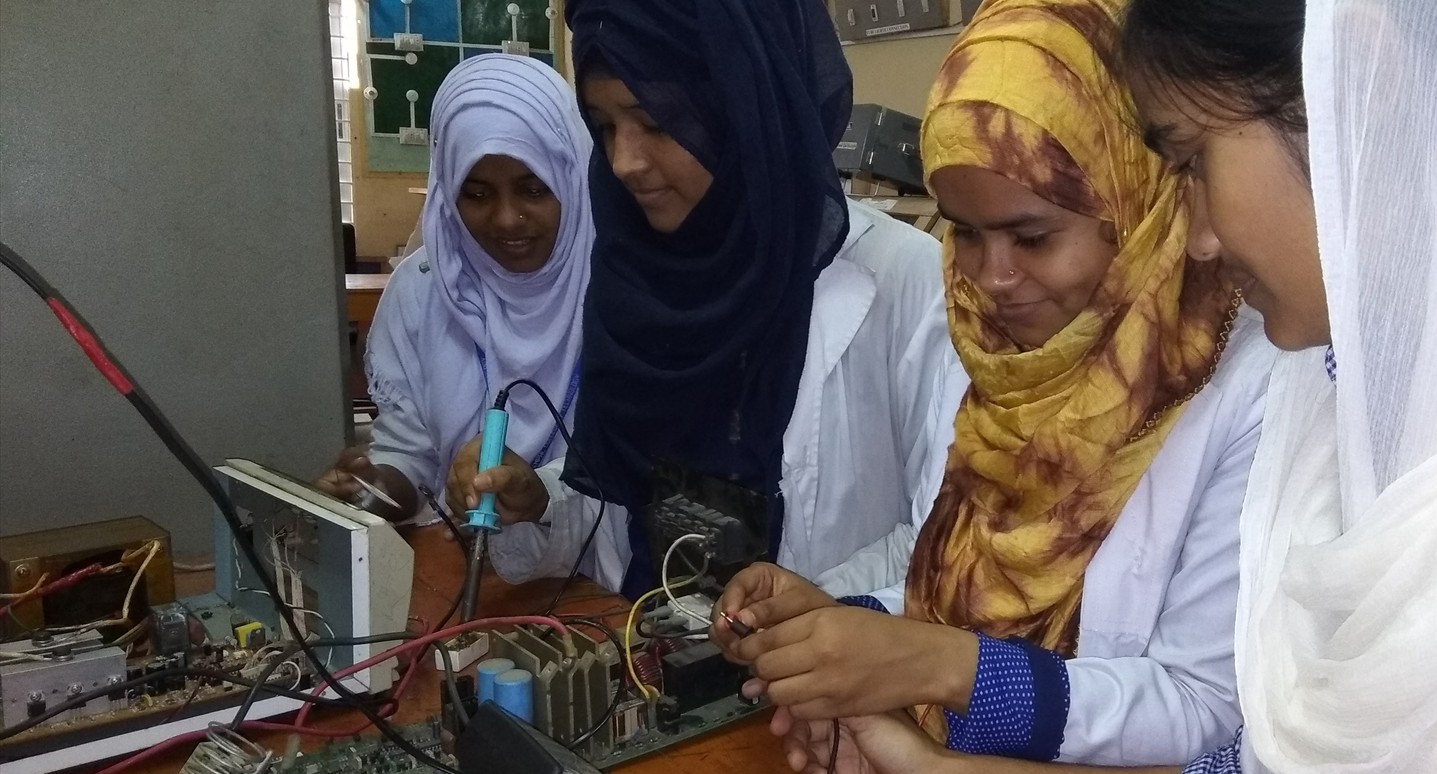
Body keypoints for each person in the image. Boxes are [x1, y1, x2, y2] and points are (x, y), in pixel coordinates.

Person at [764, 0, 1437, 774]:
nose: (1193, 229)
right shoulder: (1352, 397)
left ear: (1368, 93)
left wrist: (940, 680)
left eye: (1194, 161)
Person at [714, 3, 1268, 774]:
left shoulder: (1248, 386)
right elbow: (973, 583)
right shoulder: (1008, 353)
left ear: (1142, 195)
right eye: (964, 231)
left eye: (1032, 236)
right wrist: (841, 619)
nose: (990, 277)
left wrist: (934, 663)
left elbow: (1203, 716)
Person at [467, 0, 960, 601]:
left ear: (745, 107)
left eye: (654, 122)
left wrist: (813, 611)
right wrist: (541, 500)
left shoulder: (902, 282)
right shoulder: (638, 273)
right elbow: (624, 505)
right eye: (604, 125)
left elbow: (943, 542)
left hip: (819, 681)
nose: (624, 162)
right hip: (649, 657)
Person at [316, 55, 592, 525]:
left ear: (572, 177)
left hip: (601, 580)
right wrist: (374, 489)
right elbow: (411, 460)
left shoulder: (622, 292)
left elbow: (643, 474)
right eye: (477, 194)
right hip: (461, 568)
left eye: (534, 189)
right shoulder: (424, 291)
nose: (506, 219)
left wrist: (541, 494)